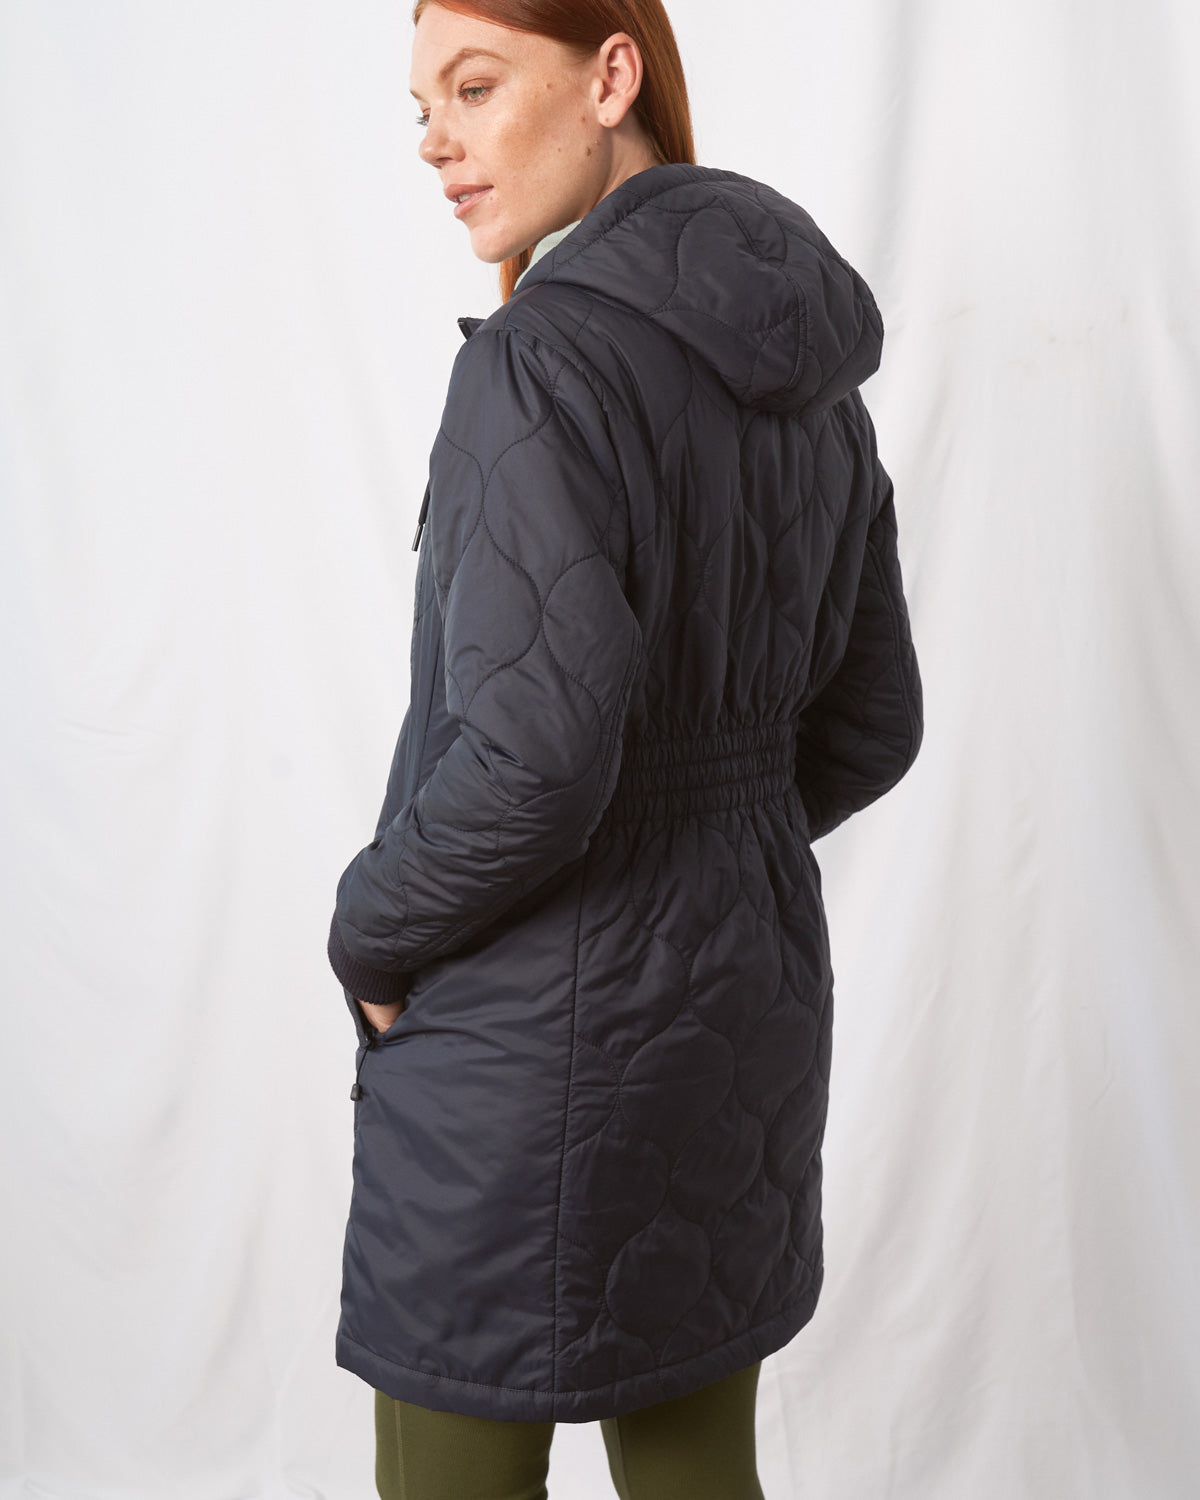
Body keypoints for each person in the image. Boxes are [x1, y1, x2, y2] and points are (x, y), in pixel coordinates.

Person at [326, 0, 924, 1494]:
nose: (437, 143)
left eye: (475, 86)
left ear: (611, 75)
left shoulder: (538, 363)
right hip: (738, 1013)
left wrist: (369, 931)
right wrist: (709, 838)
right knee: (697, 1477)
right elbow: (873, 721)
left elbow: (535, 763)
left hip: (520, 1057)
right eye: (422, 107)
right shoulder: (806, 371)